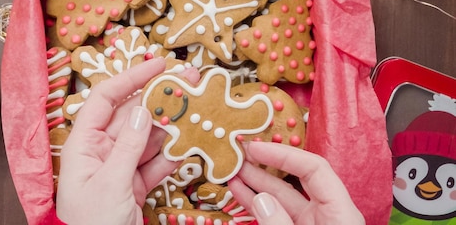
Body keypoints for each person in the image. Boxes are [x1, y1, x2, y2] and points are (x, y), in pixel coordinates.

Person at [56, 58, 365, 225]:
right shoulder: (182, 128)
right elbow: (180, 145)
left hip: (233, 123)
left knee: (246, 121)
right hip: (213, 144)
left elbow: (216, 86)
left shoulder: (211, 89)